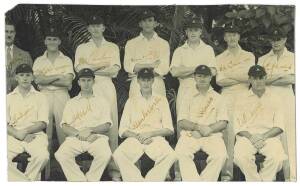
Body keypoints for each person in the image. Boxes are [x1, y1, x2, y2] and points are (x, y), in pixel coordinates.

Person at [74, 15, 121, 180]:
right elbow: (80, 71)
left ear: (103, 28)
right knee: (88, 123)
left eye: (98, 25)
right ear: (88, 28)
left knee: (111, 126)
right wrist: (102, 65)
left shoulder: (112, 47)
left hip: (107, 86)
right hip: (88, 87)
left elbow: (114, 71)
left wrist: (90, 68)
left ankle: (114, 169)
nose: (95, 29)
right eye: (92, 26)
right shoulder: (82, 48)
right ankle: (88, 167)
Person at [170, 18, 216, 180]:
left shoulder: (208, 50)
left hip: (204, 91)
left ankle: (204, 172)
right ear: (186, 32)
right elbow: (175, 72)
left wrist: (188, 71)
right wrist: (198, 70)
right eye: (190, 30)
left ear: (201, 31)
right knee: (182, 129)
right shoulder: (179, 51)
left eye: (196, 30)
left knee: (205, 124)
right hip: (185, 90)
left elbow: (213, 71)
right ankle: (179, 173)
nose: (193, 33)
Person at [113, 68, 176, 181]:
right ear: (138, 81)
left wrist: (150, 134)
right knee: (118, 154)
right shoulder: (131, 101)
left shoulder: (161, 100)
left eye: (148, 80)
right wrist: (139, 137)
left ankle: (151, 181)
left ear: (153, 81)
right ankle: (136, 181)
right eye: (143, 80)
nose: (146, 83)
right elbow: (122, 130)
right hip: (135, 138)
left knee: (171, 155)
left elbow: (169, 129)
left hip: (155, 138)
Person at [55, 68, 112, 181]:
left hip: (96, 137)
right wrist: (79, 133)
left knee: (105, 154)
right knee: (61, 154)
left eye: (89, 80)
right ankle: (79, 181)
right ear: (79, 82)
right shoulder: (71, 102)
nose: (86, 83)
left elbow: (107, 125)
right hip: (76, 137)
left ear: (93, 82)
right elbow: (64, 126)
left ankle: (91, 180)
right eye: (83, 80)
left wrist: (90, 130)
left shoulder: (102, 101)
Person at [233, 65, 287, 181]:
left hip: (269, 137)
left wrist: (263, 137)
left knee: (277, 158)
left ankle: (263, 181)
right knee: (241, 157)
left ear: (266, 78)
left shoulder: (275, 98)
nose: (258, 81)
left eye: (261, 77)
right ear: (249, 79)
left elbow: (279, 126)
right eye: (254, 78)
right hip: (247, 137)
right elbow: (238, 125)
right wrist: (251, 137)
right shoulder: (240, 98)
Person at [216, 22, 255, 180]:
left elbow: (249, 78)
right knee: (228, 135)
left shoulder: (249, 56)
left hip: (245, 96)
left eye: (234, 34)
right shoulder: (219, 58)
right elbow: (219, 81)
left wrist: (230, 75)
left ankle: (249, 174)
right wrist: (239, 76)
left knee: (245, 132)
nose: (231, 37)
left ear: (239, 36)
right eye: (228, 35)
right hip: (226, 97)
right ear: (225, 37)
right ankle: (227, 174)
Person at [175, 65, 228, 181]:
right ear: (194, 77)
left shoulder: (218, 97)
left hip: (212, 135)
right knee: (181, 152)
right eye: (199, 76)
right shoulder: (187, 96)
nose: (202, 79)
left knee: (220, 155)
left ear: (210, 77)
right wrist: (198, 128)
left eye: (205, 76)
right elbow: (181, 122)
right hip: (191, 135)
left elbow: (223, 122)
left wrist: (208, 130)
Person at [257, 27, 295, 181]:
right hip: (269, 100)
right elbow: (260, 82)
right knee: (270, 137)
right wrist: (281, 75)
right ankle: (268, 179)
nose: (275, 42)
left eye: (279, 39)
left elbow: (292, 79)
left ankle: (291, 178)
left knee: (290, 138)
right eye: (273, 39)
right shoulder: (263, 60)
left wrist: (270, 78)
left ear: (285, 39)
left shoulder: (293, 57)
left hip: (287, 100)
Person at [7, 64, 49, 181]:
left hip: (35, 136)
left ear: (32, 77)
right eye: (21, 75)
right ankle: (27, 181)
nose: (25, 78)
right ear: (16, 78)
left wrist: (24, 132)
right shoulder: (8, 98)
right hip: (13, 136)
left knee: (43, 156)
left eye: (27, 75)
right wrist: (17, 134)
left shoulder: (41, 97)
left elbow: (43, 123)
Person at [33, 27, 74, 146]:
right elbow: (38, 80)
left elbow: (67, 82)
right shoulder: (39, 61)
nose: (52, 42)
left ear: (59, 41)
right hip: (44, 95)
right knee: (45, 130)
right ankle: (45, 162)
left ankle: (65, 159)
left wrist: (46, 79)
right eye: (49, 39)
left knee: (64, 128)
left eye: (54, 39)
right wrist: (58, 76)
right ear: (45, 41)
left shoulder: (66, 60)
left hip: (62, 94)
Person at [124, 9, 170, 97]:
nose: (147, 23)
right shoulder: (131, 43)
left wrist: (138, 66)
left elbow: (164, 68)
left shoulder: (163, 43)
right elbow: (128, 66)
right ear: (140, 24)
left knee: (157, 110)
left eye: (150, 20)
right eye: (144, 21)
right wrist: (152, 65)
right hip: (137, 84)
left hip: (157, 83)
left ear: (156, 23)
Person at [5, 20, 33, 93]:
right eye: (6, 31)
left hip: (19, 96)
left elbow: (31, 78)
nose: (9, 34)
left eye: (11, 32)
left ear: (14, 34)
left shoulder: (25, 55)